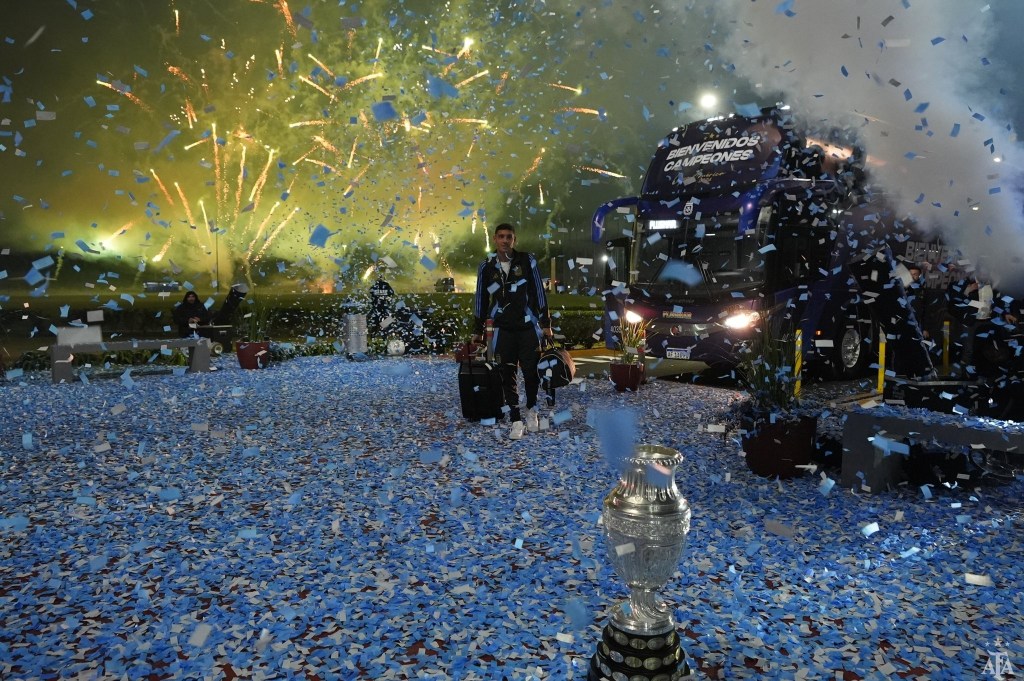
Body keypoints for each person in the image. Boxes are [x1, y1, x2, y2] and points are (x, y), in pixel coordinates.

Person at [473, 223, 553, 440]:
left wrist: (546, 324)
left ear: (514, 240)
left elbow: (539, 293)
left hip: (527, 328)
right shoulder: (487, 265)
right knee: (506, 374)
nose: (505, 240)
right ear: (495, 239)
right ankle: (516, 419)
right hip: (502, 329)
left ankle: (532, 410)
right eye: (501, 236)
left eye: (509, 237)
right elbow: (481, 298)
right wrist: (477, 329)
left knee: (531, 372)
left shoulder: (527, 261)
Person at [368, 265, 396, 337]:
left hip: (376, 307)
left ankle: (373, 336)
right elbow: (392, 293)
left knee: (376, 322)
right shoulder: (386, 285)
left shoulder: (375, 285)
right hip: (384, 307)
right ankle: (384, 336)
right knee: (385, 322)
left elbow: (370, 293)